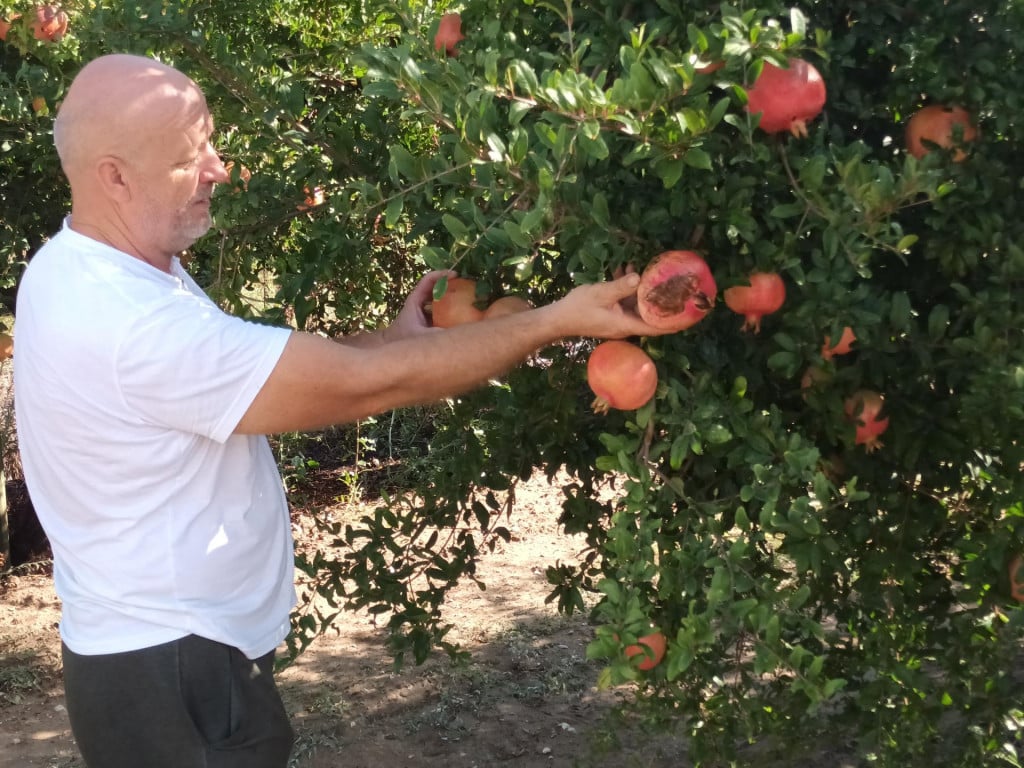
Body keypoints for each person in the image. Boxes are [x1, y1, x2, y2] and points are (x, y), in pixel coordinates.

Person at [13, 53, 670, 768]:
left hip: (164, 652)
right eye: (190, 155)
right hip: (172, 670)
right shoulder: (129, 324)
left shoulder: (83, 265)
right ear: (115, 175)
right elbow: (364, 386)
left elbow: (273, 372)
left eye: (211, 142)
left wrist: (391, 338)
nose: (218, 168)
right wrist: (553, 320)